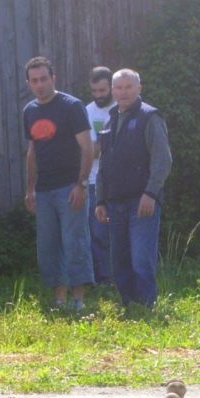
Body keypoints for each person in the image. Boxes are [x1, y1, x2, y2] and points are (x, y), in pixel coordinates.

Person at [95, 69, 173, 308]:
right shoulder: (111, 119)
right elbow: (104, 164)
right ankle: (129, 305)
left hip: (142, 202)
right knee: (119, 259)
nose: (123, 92)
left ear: (139, 89)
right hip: (115, 202)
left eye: (128, 87)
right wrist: (99, 200)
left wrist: (150, 194)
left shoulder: (150, 117)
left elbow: (163, 160)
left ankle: (147, 306)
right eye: (118, 88)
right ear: (113, 91)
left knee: (141, 258)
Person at [23, 56, 94, 312]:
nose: (39, 84)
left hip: (70, 187)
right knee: (48, 246)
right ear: (29, 83)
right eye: (34, 80)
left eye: (44, 79)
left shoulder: (71, 106)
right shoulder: (29, 111)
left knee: (74, 242)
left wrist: (82, 184)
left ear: (54, 78)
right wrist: (30, 188)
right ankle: (60, 300)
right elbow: (32, 152)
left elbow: (87, 148)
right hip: (43, 191)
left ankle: (79, 300)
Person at [86, 66, 116, 285]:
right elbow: (87, 150)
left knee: (118, 234)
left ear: (112, 88)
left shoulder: (122, 109)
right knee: (97, 234)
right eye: (94, 91)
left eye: (103, 90)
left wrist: (99, 148)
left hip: (120, 182)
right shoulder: (87, 111)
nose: (99, 96)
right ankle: (104, 279)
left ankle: (120, 277)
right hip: (94, 181)